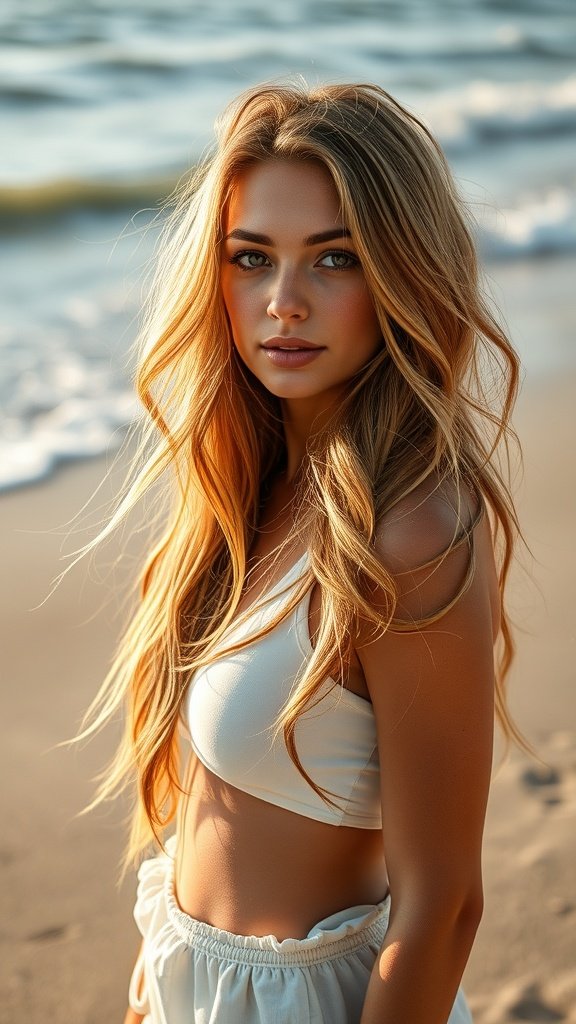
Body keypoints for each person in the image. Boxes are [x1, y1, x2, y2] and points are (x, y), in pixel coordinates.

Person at [78, 81, 525, 1023]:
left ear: (402, 273)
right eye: (252, 258)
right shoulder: (252, 490)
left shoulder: (406, 532)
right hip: (189, 979)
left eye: (335, 258)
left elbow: (444, 905)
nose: (283, 303)